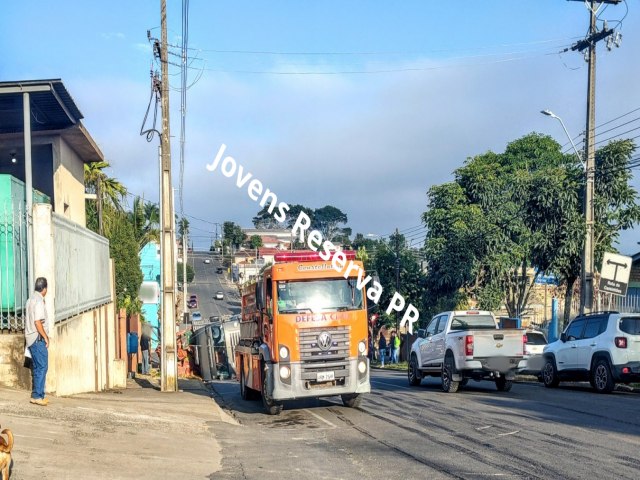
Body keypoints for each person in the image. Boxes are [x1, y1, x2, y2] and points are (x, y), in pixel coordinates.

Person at [24, 277, 50, 406]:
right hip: (37, 338)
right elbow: (38, 322)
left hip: (30, 338)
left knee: (37, 366)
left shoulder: (30, 300)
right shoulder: (39, 301)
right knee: (42, 366)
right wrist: (45, 337)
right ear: (44, 289)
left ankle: (37, 394)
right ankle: (38, 395)